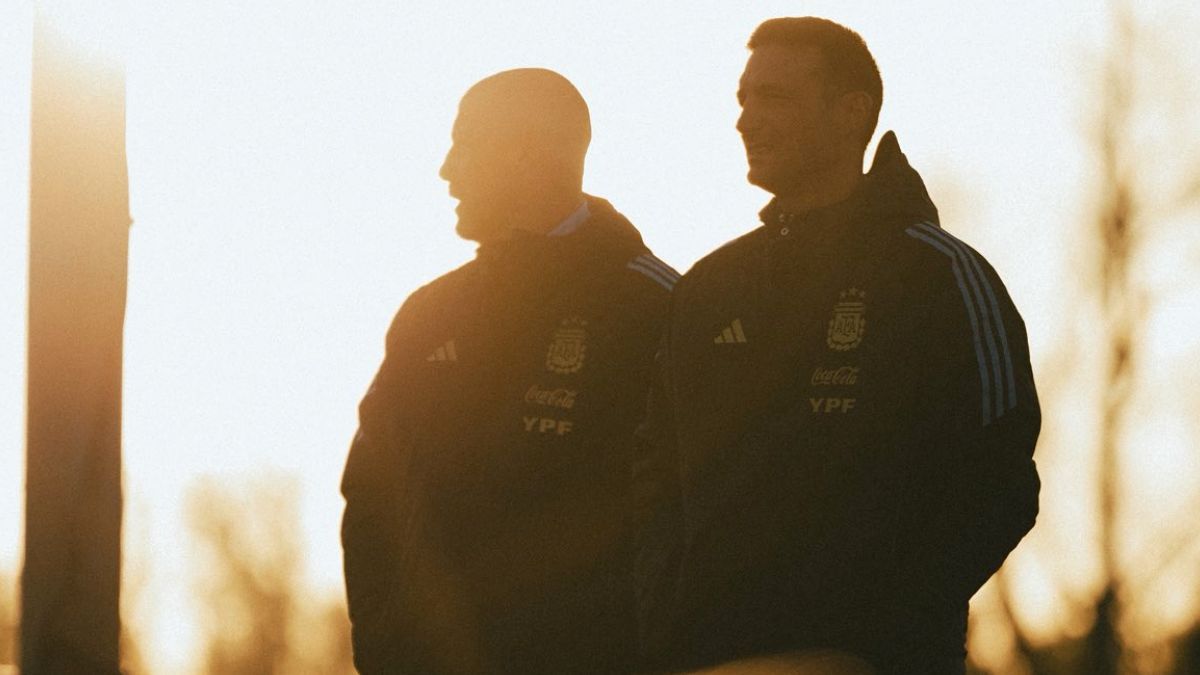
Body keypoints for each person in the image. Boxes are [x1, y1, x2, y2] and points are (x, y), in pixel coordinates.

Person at [633, 17, 1041, 674]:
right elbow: (655, 482)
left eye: (774, 98)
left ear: (852, 112)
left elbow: (998, 477)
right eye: (743, 99)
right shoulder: (708, 288)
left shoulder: (938, 275)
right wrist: (670, 629)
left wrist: (874, 634)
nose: (746, 119)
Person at [341, 68, 677, 674]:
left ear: (525, 151)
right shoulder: (428, 315)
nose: (446, 170)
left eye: (463, 144)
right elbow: (370, 499)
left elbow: (685, 518)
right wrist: (389, 654)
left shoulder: (655, 309)